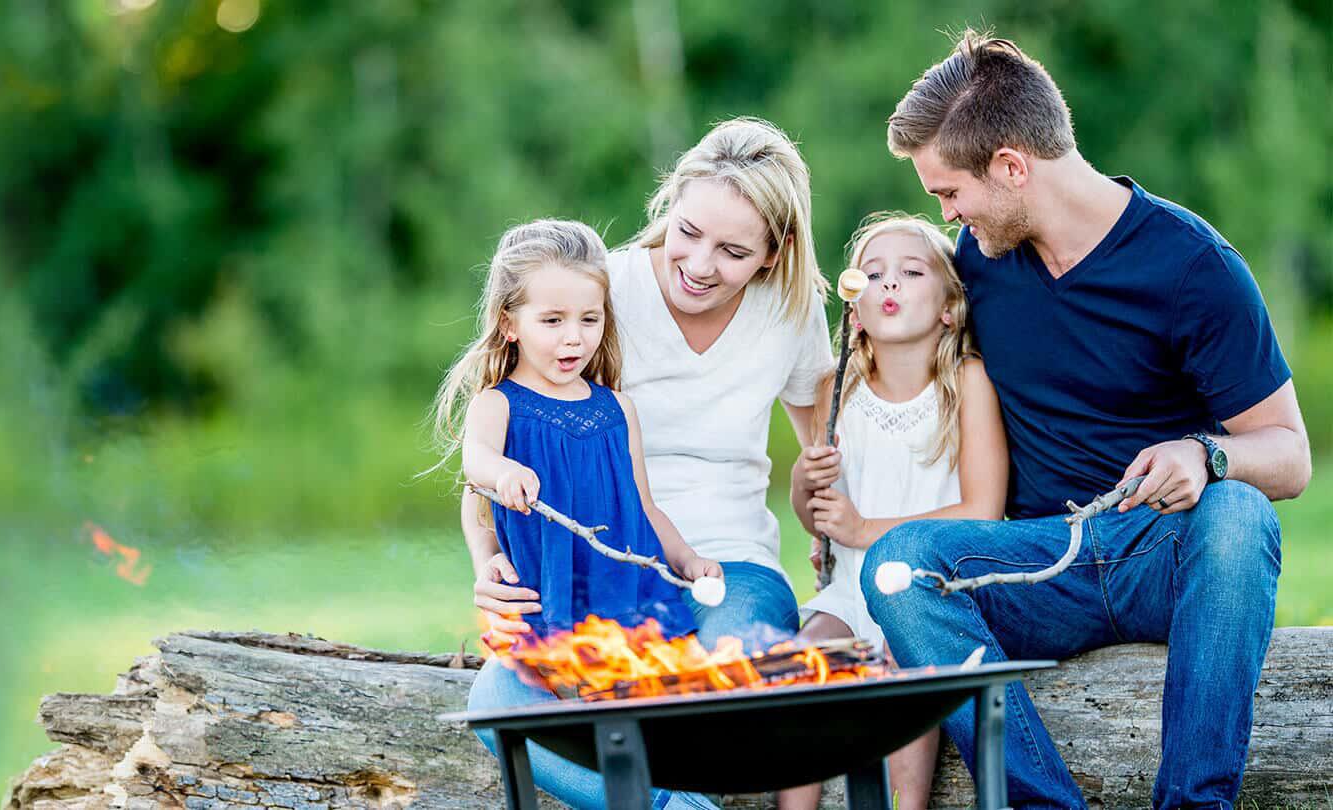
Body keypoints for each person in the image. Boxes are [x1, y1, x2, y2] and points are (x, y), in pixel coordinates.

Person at [861, 30, 1312, 809]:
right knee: (898, 566)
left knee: (1238, 514)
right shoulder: (979, 263)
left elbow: (1291, 456)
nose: (947, 212)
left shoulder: (1194, 268)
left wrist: (1205, 454)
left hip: (1162, 554)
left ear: (1010, 166)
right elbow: (884, 325)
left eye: (949, 191)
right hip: (1043, 564)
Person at [460, 116, 833, 808]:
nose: (697, 264)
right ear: (670, 205)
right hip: (594, 568)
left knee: (708, 691)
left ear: (775, 253)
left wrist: (826, 532)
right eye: (687, 231)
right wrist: (487, 562)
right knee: (497, 698)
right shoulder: (600, 294)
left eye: (732, 251)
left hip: (729, 566)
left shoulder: (792, 310)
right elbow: (496, 450)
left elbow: (824, 439)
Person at [429, 218, 722, 810]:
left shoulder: (617, 409)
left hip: (628, 600)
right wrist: (502, 482)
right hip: (551, 603)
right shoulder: (498, 406)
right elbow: (476, 470)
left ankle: (669, 797)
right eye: (553, 321)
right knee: (536, 709)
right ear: (510, 323)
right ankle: (667, 806)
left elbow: (642, 506)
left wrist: (687, 558)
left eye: (589, 320)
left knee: (654, 721)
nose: (574, 339)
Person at [778, 213, 1008, 809]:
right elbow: (819, 518)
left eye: (910, 272)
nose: (888, 284)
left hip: (927, 597)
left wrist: (865, 528)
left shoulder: (967, 382)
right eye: (873, 274)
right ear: (854, 310)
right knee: (799, 665)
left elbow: (983, 511)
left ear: (949, 308)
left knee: (897, 672)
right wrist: (808, 481)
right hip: (849, 590)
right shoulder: (839, 389)